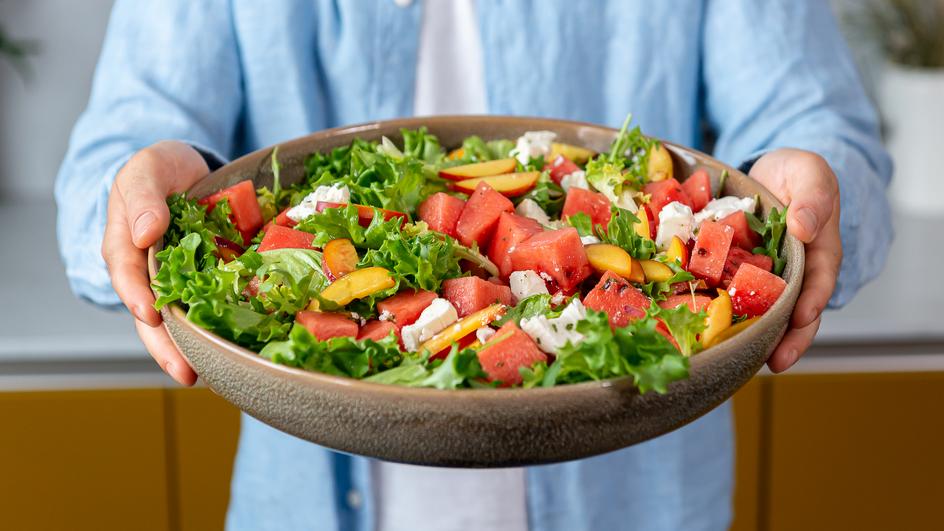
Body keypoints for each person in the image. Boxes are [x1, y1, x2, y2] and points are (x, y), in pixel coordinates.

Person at [56, 1, 891, 530]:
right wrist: (142, 196)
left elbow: (819, 123)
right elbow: (109, 164)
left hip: (638, 496)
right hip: (307, 501)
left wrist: (808, 185)